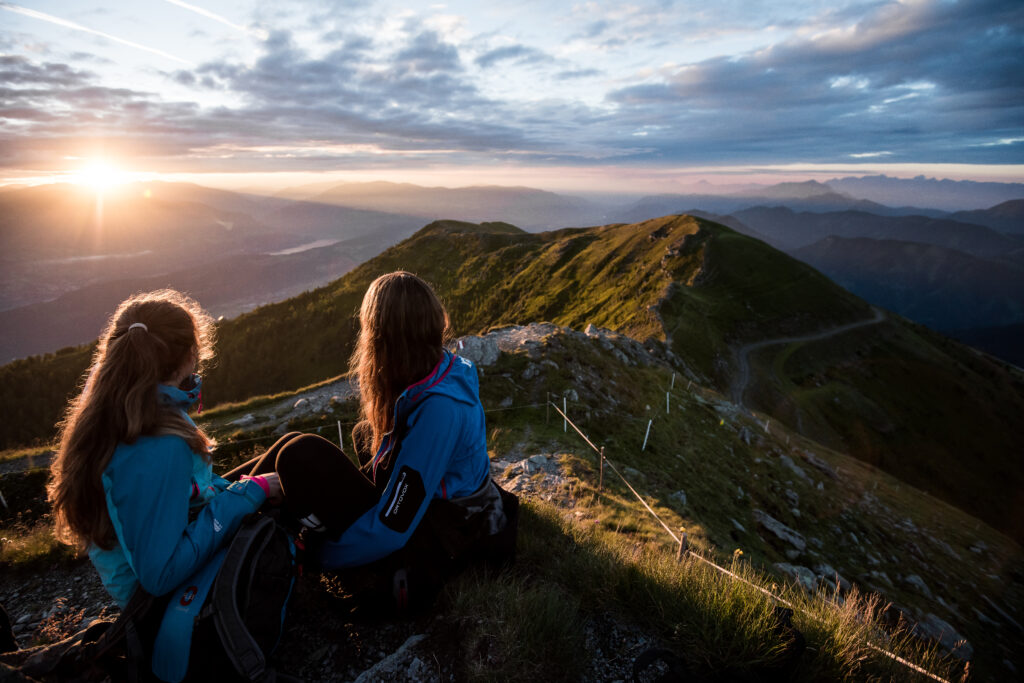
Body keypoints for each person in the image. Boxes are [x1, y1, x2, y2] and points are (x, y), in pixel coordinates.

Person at [315, 271, 518, 609]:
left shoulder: (439, 411)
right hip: (446, 501)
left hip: (448, 529)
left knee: (302, 456)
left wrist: (320, 556)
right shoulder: (442, 369)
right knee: (364, 434)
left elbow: (393, 526)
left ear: (385, 339)